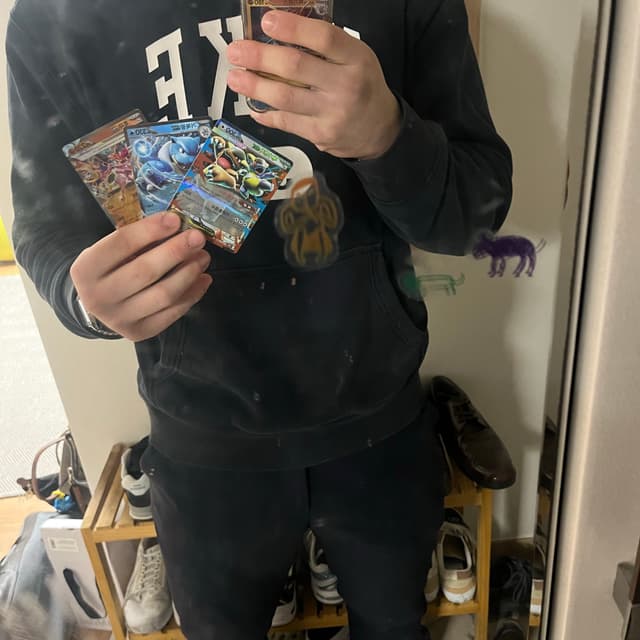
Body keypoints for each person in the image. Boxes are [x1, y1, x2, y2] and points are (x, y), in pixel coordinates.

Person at [6, 1, 512, 638]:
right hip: (200, 436)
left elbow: (476, 212)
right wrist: (87, 301)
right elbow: (44, 227)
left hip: (379, 420)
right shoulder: (53, 15)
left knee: (395, 629)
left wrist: (388, 135)